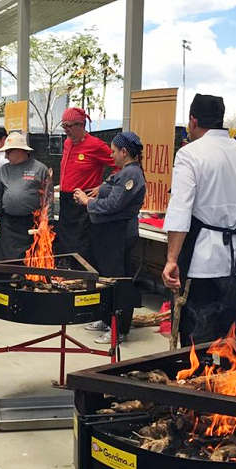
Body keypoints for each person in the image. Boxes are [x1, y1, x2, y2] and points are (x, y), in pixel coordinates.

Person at [161, 94, 236, 348]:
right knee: (235, 339)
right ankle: (230, 385)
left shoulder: (190, 154)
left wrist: (172, 260)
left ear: (193, 121)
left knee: (198, 337)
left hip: (203, 260)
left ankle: (195, 384)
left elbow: (180, 209)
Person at [73, 131, 146, 344]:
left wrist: (88, 202)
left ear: (124, 152)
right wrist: (99, 190)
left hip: (119, 234)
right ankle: (106, 318)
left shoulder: (131, 174)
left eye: (114, 151)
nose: (111, 155)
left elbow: (114, 204)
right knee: (105, 278)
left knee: (118, 280)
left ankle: (119, 328)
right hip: (106, 234)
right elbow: (111, 191)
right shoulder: (122, 172)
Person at [58, 107, 115, 261]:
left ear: (81, 125)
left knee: (81, 245)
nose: (66, 130)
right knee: (64, 244)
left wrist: (103, 186)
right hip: (65, 201)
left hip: (82, 203)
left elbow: (121, 166)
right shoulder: (67, 143)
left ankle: (82, 279)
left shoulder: (96, 145)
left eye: (69, 126)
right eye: (64, 126)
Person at [0, 133, 53, 261]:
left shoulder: (40, 169)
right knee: (6, 261)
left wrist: (45, 220)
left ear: (20, 151)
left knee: (30, 259)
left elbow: (48, 198)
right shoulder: (5, 170)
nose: (6, 156)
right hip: (8, 223)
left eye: (8, 152)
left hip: (31, 222)